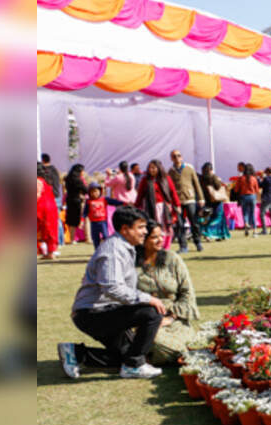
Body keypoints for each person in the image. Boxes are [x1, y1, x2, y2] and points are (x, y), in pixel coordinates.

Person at [58, 206, 166, 379]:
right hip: (93, 313)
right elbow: (112, 287)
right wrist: (146, 299)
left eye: (145, 227)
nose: (145, 232)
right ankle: (133, 367)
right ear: (125, 229)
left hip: (105, 311)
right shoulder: (114, 250)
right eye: (140, 227)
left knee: (128, 354)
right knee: (152, 313)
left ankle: (75, 353)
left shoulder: (124, 246)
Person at [136, 220, 199, 365]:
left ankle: (149, 356)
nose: (160, 240)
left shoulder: (172, 259)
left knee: (188, 345)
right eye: (154, 237)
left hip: (175, 318)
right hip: (146, 320)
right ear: (143, 240)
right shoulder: (131, 264)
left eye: (161, 235)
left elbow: (187, 292)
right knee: (159, 343)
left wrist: (171, 318)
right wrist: (153, 320)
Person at [135, 160, 181, 248]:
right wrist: (136, 206)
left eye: (153, 168)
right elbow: (140, 195)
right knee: (153, 227)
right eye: (149, 168)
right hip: (150, 208)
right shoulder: (145, 180)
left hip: (164, 208)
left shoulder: (166, 178)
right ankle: (155, 246)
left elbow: (173, 192)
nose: (151, 170)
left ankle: (166, 247)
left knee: (166, 227)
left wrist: (177, 205)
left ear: (158, 168)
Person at [167, 150, 204, 253]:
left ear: (182, 157)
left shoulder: (189, 168)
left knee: (194, 222)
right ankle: (183, 246)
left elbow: (196, 184)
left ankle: (198, 242)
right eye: (174, 156)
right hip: (177, 201)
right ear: (171, 158)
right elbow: (169, 188)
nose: (177, 158)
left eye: (179, 155)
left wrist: (201, 198)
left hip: (190, 199)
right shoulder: (170, 171)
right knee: (179, 224)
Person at [81, 183, 124, 249]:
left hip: (103, 222)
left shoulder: (104, 199)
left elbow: (114, 202)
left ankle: (107, 249)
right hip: (93, 223)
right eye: (92, 192)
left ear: (100, 191)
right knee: (95, 238)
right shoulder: (88, 202)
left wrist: (123, 203)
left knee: (105, 236)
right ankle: (97, 251)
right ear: (89, 193)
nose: (94, 193)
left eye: (96, 191)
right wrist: (82, 220)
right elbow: (85, 212)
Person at [199, 163, 230, 241]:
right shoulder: (213, 177)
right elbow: (218, 186)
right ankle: (209, 232)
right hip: (216, 201)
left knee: (208, 217)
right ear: (210, 170)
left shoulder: (201, 179)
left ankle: (214, 235)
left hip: (207, 201)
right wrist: (219, 180)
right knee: (218, 217)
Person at [36, 170, 60, 259]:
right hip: (51, 208)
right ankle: (50, 253)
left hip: (41, 208)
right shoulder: (46, 182)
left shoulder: (37, 181)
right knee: (50, 231)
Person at [63, 164, 88, 245]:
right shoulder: (78, 180)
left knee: (70, 220)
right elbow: (85, 189)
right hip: (76, 200)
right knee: (75, 220)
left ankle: (71, 238)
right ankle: (73, 239)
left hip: (69, 199)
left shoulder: (67, 179)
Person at [233, 164, 260, 237]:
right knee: (252, 213)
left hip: (243, 196)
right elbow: (257, 189)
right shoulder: (254, 178)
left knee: (245, 213)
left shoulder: (241, 178)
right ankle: (254, 231)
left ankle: (246, 225)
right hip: (252, 196)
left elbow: (236, 189)